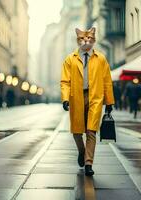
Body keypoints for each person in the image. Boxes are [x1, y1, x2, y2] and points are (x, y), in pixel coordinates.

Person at [60, 27, 114, 176]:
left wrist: (109, 101)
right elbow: (65, 81)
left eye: (89, 39)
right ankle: (82, 151)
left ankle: (89, 163)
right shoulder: (70, 59)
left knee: (91, 130)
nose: (86, 41)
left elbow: (107, 81)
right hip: (76, 97)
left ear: (93, 40)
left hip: (94, 96)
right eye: (83, 39)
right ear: (78, 40)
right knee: (77, 131)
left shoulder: (101, 59)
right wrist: (65, 98)